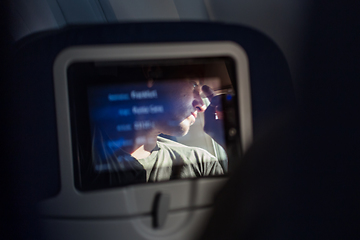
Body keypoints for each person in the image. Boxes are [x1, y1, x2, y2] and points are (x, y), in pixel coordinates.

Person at [91, 66, 225, 183]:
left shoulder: (202, 164)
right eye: (194, 84)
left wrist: (230, 140)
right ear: (153, 72)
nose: (201, 106)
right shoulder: (83, 150)